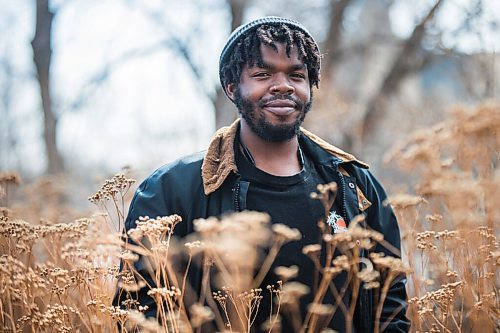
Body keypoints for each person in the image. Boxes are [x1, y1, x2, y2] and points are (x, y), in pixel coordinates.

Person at [115, 16, 410, 332]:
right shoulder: (172, 190)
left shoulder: (354, 185)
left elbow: (390, 302)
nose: (283, 85)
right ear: (232, 88)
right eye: (262, 74)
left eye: (296, 75)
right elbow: (136, 312)